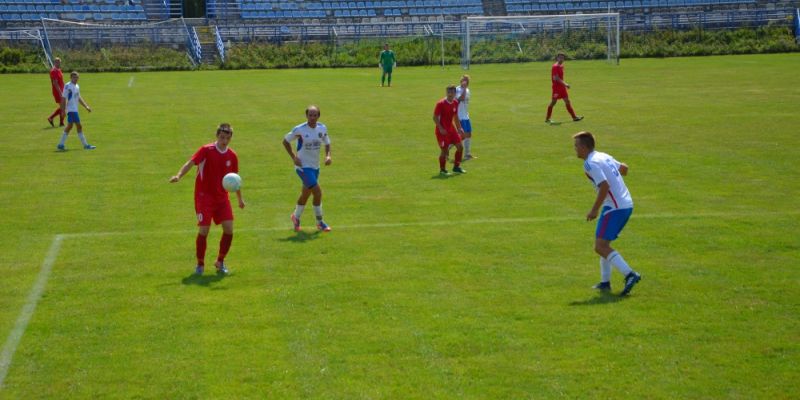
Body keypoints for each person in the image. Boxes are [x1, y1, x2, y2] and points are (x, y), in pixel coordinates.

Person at [169, 123, 245, 275]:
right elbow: (191, 162)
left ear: (230, 138)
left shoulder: (232, 156)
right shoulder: (206, 150)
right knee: (204, 230)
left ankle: (220, 261)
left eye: (227, 138)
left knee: (229, 229)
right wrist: (179, 175)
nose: (224, 140)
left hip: (222, 198)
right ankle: (200, 264)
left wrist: (239, 199)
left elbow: (235, 180)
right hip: (204, 197)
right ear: (217, 136)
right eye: (222, 137)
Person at [573, 131, 641, 296]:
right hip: (624, 203)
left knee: (600, 246)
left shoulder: (590, 163)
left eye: (576, 146)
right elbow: (624, 168)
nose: (575, 150)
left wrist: (594, 210)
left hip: (615, 207)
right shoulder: (603, 156)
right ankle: (605, 283)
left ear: (583, 147)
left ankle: (630, 274)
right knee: (603, 244)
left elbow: (604, 186)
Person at [283, 105, 333, 232]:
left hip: (315, 167)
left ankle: (296, 216)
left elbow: (327, 142)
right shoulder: (299, 129)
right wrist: (294, 157)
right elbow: (285, 141)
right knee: (317, 192)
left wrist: (328, 156)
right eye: (310, 115)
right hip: (303, 168)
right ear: (306, 116)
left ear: (318, 116)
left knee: (305, 194)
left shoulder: (322, 128)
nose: (312, 117)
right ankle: (320, 222)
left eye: (314, 115)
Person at [57, 71, 96, 151]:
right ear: (71, 77)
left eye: (77, 77)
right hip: (71, 110)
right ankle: (86, 145)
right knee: (79, 126)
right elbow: (63, 98)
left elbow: (78, 98)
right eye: (74, 77)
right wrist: (63, 110)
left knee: (70, 126)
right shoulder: (68, 86)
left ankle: (61, 144)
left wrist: (86, 106)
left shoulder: (77, 86)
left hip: (75, 109)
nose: (76, 79)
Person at [434, 85, 465, 175]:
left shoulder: (455, 102)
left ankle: (456, 167)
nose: (450, 94)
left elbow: (455, 116)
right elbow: (435, 117)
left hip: (451, 130)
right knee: (444, 151)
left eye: (452, 92)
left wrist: (459, 128)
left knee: (460, 147)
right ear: (446, 92)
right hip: (442, 131)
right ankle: (442, 170)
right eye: (448, 92)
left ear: (455, 93)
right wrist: (440, 128)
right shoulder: (440, 103)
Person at [546, 53, 583, 124]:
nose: (561, 59)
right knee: (553, 102)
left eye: (562, 58)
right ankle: (547, 119)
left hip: (562, 88)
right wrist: (565, 84)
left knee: (567, 101)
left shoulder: (561, 66)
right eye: (560, 58)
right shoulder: (555, 66)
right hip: (556, 88)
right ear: (557, 58)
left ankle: (574, 117)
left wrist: (563, 85)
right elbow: (556, 78)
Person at [455, 74, 476, 161]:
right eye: (464, 80)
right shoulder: (458, 89)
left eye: (467, 80)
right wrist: (463, 89)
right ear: (461, 81)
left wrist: (465, 89)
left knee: (469, 134)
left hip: (466, 115)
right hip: (460, 116)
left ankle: (467, 154)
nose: (465, 82)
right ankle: (447, 149)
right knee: (462, 136)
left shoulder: (467, 90)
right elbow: (461, 99)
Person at [47, 57, 65, 127]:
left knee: (63, 107)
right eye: (57, 62)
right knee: (63, 107)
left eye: (59, 62)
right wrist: (60, 92)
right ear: (54, 63)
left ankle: (61, 122)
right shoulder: (54, 71)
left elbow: (61, 81)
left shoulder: (59, 70)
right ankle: (52, 118)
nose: (59, 63)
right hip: (58, 91)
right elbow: (55, 83)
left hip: (62, 90)